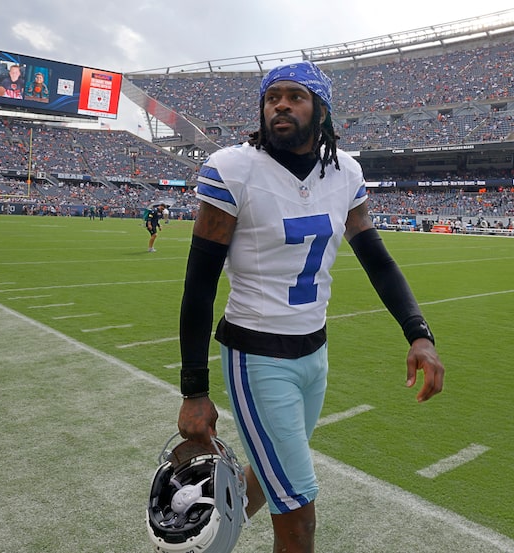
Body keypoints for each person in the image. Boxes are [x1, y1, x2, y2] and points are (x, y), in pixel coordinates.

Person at [176, 62, 445, 553]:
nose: (281, 104)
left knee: (270, 476)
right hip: (257, 356)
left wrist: (419, 333)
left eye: (295, 96)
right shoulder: (233, 167)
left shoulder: (346, 172)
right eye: (272, 96)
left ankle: (201, 539)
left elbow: (376, 258)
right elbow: (199, 284)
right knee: (299, 513)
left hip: (314, 355)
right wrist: (194, 390)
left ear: (320, 109)